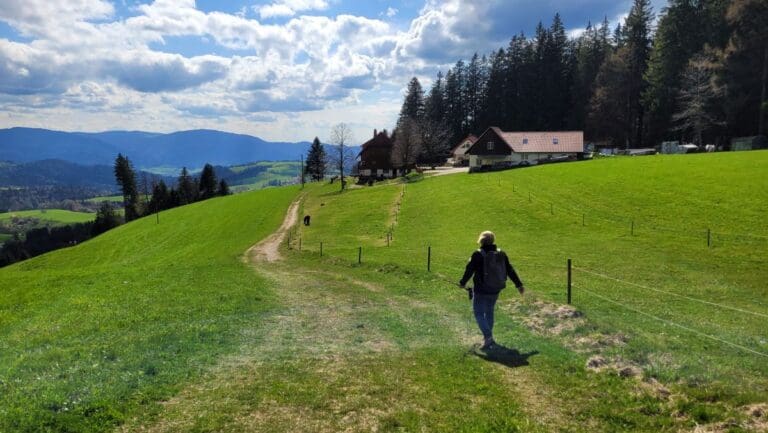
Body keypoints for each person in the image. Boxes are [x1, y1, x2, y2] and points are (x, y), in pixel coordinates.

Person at [459, 231, 525, 350]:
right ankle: (488, 338)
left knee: (478, 313)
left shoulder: (477, 254)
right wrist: (519, 285)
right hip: (495, 289)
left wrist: (463, 283)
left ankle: (488, 337)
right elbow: (509, 269)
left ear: (481, 241)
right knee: (489, 312)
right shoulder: (501, 254)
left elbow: (469, 270)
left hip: (481, 290)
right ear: (493, 240)